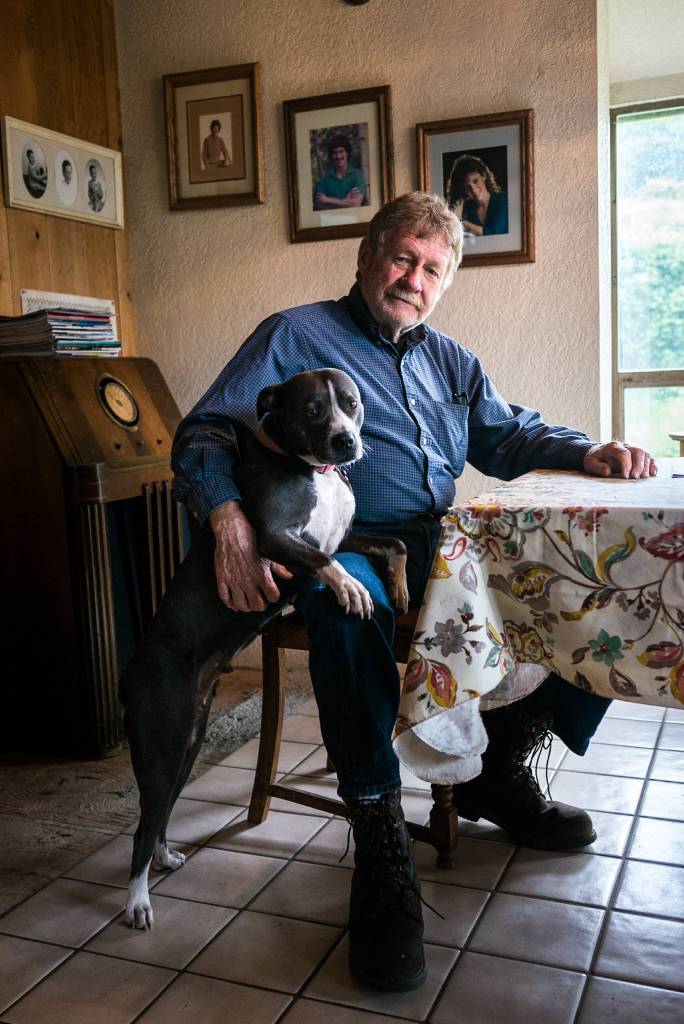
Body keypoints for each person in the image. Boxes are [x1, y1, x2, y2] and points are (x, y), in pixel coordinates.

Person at [171, 192, 655, 991]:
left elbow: (508, 435)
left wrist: (590, 449)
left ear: (446, 282)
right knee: (344, 600)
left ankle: (498, 771)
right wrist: (226, 518)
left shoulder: (452, 360)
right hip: (343, 539)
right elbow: (206, 429)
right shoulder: (295, 334)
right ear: (366, 257)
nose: (414, 277)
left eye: (432, 268)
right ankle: (378, 830)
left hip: (441, 542)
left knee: (578, 579)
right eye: (402, 258)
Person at [447, 153, 508, 236]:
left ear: (484, 175)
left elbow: (494, 233)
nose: (473, 189)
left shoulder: (503, 200)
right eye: (467, 187)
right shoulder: (466, 208)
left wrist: (460, 222)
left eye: (475, 181)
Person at [314, 133, 366, 210]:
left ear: (347, 153)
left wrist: (327, 200)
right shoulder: (325, 179)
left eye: (341, 151)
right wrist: (346, 202)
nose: (338, 156)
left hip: (355, 220)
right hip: (330, 221)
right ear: (331, 155)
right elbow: (320, 205)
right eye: (335, 153)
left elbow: (355, 204)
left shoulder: (357, 175)